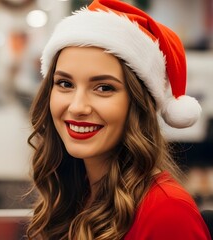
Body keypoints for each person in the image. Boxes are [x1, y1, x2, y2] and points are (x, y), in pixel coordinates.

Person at [26, 0, 209, 239]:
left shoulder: (167, 211)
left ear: (138, 104)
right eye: (65, 84)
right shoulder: (76, 192)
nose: (77, 106)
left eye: (103, 88)